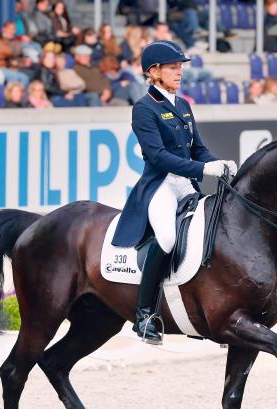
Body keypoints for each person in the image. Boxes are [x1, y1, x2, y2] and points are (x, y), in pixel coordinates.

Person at [111, 40, 237, 345]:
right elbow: (157, 156)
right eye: (173, 67)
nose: (179, 72)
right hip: (161, 185)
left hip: (186, 184)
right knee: (167, 237)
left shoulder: (183, 105)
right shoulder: (144, 108)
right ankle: (144, 316)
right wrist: (202, 170)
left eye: (180, 67)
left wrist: (218, 163)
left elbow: (198, 149)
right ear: (154, 72)